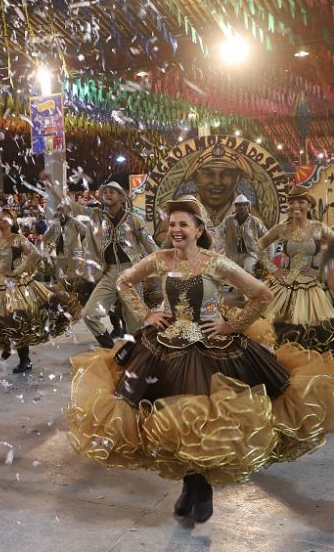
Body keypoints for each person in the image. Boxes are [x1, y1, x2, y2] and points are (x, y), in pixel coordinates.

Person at [66, 195, 334, 524]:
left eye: (184, 224)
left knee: (203, 417)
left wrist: (231, 324)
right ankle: (191, 484)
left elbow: (262, 294)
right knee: (171, 417)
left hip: (211, 347)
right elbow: (124, 281)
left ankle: (201, 486)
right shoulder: (160, 258)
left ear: (198, 230)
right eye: (173, 223)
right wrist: (146, 313)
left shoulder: (215, 262)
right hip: (163, 346)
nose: (176, 229)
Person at [49, 180, 158, 348]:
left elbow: (152, 247)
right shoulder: (94, 216)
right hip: (109, 273)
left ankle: (133, 359)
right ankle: (110, 349)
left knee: (134, 325)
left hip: (132, 274)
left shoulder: (134, 220)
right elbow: (70, 205)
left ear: (121, 197)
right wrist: (53, 186)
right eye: (105, 191)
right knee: (89, 314)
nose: (107, 194)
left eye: (112, 192)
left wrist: (158, 270)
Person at [0, 209, 74, 373]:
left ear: (13, 222)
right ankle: (7, 346)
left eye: (6, 217)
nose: (1, 219)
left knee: (19, 322)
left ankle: (25, 359)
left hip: (17, 286)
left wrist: (17, 271)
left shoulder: (19, 239)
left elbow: (35, 254)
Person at [255, 186, 334, 351]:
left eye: (301, 201)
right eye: (291, 202)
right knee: (278, 329)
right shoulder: (281, 228)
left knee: (315, 332)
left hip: (313, 289)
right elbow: (258, 246)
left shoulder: (319, 227)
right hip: (283, 286)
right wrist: (273, 269)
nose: (295, 206)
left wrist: (320, 270)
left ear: (310, 205)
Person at [216, 194, 268, 274]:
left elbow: (267, 236)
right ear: (235, 206)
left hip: (250, 254)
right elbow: (218, 232)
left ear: (248, 205)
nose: (241, 207)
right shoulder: (228, 221)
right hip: (232, 255)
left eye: (244, 204)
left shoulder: (255, 221)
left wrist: (265, 256)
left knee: (249, 269)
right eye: (239, 205)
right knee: (229, 275)